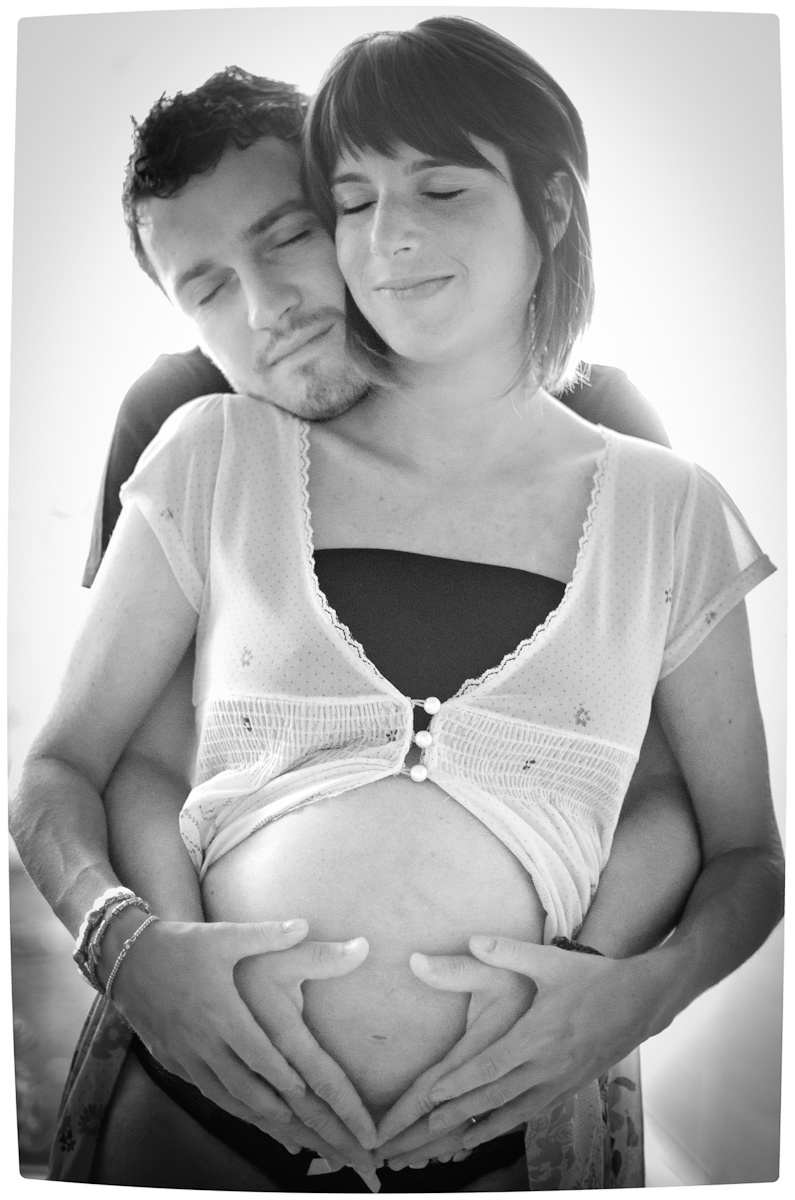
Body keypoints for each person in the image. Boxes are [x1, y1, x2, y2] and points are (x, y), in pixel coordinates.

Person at [8, 22, 779, 1189]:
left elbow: (692, 813)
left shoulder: (647, 476)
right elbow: (125, 761)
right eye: (359, 201)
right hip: (192, 1112)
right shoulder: (199, 431)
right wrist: (140, 951)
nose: (273, 303)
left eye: (293, 233)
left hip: (511, 1137)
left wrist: (619, 990)